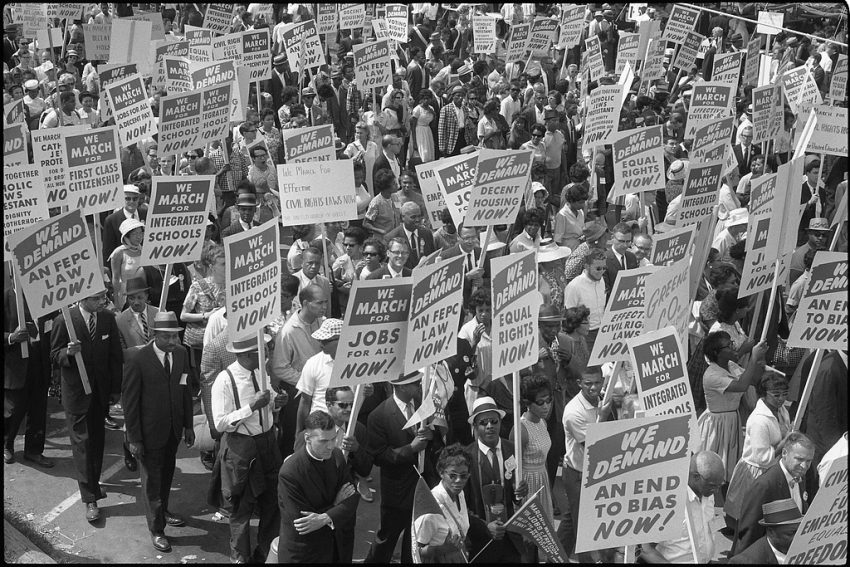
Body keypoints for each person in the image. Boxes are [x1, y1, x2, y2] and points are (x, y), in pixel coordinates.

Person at [123, 312, 194, 552]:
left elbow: (185, 390)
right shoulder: (138, 359)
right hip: (148, 434)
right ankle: (157, 529)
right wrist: (134, 438)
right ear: (155, 335)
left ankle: (162, 510)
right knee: (151, 481)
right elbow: (130, 403)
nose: (173, 342)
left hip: (173, 431)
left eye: (176, 336)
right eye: (168, 337)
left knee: (166, 474)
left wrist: (189, 425)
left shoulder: (182, 354)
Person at [211, 333, 285, 564]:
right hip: (242, 448)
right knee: (241, 505)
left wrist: (276, 403)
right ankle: (240, 556)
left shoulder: (261, 372)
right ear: (244, 355)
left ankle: (265, 551)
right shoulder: (225, 380)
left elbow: (270, 401)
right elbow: (220, 423)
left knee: (273, 499)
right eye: (259, 353)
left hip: (268, 443)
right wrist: (250, 407)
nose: (265, 356)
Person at [50, 289, 123, 522]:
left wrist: (114, 389)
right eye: (96, 299)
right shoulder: (65, 320)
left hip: (100, 393)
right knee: (82, 444)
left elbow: (114, 355)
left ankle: (93, 482)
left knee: (97, 441)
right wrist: (67, 353)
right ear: (82, 298)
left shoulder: (107, 319)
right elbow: (53, 355)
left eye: (103, 298)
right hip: (76, 394)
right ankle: (90, 498)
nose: (101, 302)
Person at [365, 370, 442, 563]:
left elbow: (437, 444)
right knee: (386, 538)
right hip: (397, 490)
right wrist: (411, 448)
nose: (420, 386)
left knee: (416, 538)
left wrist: (432, 437)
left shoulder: (424, 408)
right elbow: (379, 456)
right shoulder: (379, 415)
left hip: (423, 484)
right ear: (401, 387)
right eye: (415, 383)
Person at [276, 411, 359, 563]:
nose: (330, 446)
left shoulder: (337, 456)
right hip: (305, 554)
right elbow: (303, 524)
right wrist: (335, 505)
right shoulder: (290, 473)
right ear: (307, 438)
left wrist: (324, 518)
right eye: (323, 441)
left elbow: (352, 498)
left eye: (334, 439)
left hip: (336, 549)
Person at [558, 367, 616, 562]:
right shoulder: (573, 412)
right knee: (584, 524)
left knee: (571, 518)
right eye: (588, 383)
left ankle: (556, 555)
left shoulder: (603, 399)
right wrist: (603, 416)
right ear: (579, 384)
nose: (594, 388)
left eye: (597, 383)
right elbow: (594, 446)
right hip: (578, 474)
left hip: (595, 471)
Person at [697, 331, 768, 486]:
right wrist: (754, 357)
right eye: (729, 345)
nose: (733, 347)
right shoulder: (712, 375)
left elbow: (753, 380)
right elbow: (741, 385)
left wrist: (759, 358)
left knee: (730, 465)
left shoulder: (732, 366)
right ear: (717, 352)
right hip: (717, 425)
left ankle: (724, 499)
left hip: (732, 420)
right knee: (714, 468)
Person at [464, 396, 528, 563]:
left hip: (510, 537)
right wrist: (485, 527)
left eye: (494, 421)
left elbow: (516, 495)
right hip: (480, 540)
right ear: (475, 427)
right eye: (483, 423)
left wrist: (521, 491)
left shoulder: (512, 449)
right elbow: (462, 505)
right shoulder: (467, 457)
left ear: (500, 422)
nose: (490, 426)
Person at [725, 372, 792, 533]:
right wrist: (785, 442)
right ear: (764, 394)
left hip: (774, 471)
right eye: (776, 395)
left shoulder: (781, 410)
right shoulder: (758, 420)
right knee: (750, 518)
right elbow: (762, 459)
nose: (781, 399)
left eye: (784, 394)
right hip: (756, 473)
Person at [732, 432, 815, 556]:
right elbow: (749, 533)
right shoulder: (764, 485)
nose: (804, 466)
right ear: (784, 453)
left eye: (808, 461)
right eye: (799, 459)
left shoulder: (800, 475)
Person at [270, 284, 325, 460]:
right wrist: (307, 381)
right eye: (320, 303)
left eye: (325, 302)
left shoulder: (322, 323)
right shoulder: (288, 331)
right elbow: (279, 367)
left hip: (320, 389)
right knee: (294, 436)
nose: (324, 307)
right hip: (297, 392)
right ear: (306, 303)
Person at [641, 451, 727, 563]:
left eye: (719, 485)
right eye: (712, 486)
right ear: (696, 477)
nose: (716, 491)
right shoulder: (669, 501)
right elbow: (646, 550)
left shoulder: (708, 494)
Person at [4, 288, 53, 468]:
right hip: (16, 365)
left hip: (40, 362)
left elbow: (53, 327)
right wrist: (11, 337)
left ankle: (33, 450)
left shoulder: (46, 295)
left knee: (39, 409)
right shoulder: (7, 297)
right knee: (13, 410)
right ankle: (6, 444)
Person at [511, 375, 555, 550]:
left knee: (545, 535)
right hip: (528, 485)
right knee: (530, 539)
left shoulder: (543, 422)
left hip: (542, 481)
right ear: (528, 403)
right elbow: (513, 467)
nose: (546, 406)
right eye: (540, 402)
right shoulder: (520, 429)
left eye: (549, 400)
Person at [413, 444, 472, 563]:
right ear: (441, 473)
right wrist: (444, 549)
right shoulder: (431, 510)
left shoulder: (460, 494)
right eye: (452, 475)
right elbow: (417, 551)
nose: (458, 481)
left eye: (464, 476)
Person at [295, 318, 342, 432]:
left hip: (346, 430)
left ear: (341, 340)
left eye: (325, 341)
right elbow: (305, 401)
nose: (321, 344)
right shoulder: (313, 363)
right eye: (320, 340)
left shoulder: (357, 364)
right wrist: (299, 433)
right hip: (318, 431)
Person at [728, 498, 803, 564]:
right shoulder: (745, 561)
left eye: (800, 531)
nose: (798, 537)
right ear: (771, 532)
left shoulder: (804, 550)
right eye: (791, 533)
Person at [563, 249, 607, 351]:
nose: (601, 272)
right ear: (586, 266)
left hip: (602, 333)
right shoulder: (574, 286)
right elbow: (569, 316)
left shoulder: (601, 281)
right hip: (585, 336)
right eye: (598, 268)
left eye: (604, 268)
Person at [102, 184, 146, 267]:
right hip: (123, 267)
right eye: (128, 198)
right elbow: (107, 250)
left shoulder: (145, 213)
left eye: (135, 198)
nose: (131, 201)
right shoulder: (111, 220)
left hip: (144, 265)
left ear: (139, 199)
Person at [384, 202, 436, 269]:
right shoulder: (391, 237)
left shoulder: (426, 234)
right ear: (403, 217)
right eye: (413, 217)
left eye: (419, 216)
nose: (417, 220)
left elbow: (433, 256)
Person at [109, 218, 145, 311]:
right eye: (135, 234)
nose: (139, 237)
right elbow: (115, 278)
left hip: (143, 294)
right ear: (127, 236)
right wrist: (116, 300)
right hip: (126, 295)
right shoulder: (119, 253)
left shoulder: (145, 251)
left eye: (140, 233)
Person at [363, 169, 402, 237]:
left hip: (395, 237)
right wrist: (380, 231)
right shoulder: (376, 203)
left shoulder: (395, 197)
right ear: (386, 187)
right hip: (382, 239)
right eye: (393, 183)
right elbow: (366, 223)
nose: (396, 185)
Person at [604, 222, 639, 293]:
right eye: (621, 241)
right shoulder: (604, 260)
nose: (625, 245)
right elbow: (605, 290)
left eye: (628, 241)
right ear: (612, 238)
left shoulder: (631, 257)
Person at [536, 239, 571, 311]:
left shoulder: (559, 272)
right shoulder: (537, 276)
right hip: (544, 315)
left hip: (560, 315)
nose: (558, 259)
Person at [553, 184, 588, 250]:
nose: (583, 205)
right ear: (572, 201)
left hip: (580, 248)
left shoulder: (580, 212)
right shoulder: (562, 215)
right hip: (568, 249)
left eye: (584, 202)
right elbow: (557, 239)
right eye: (580, 203)